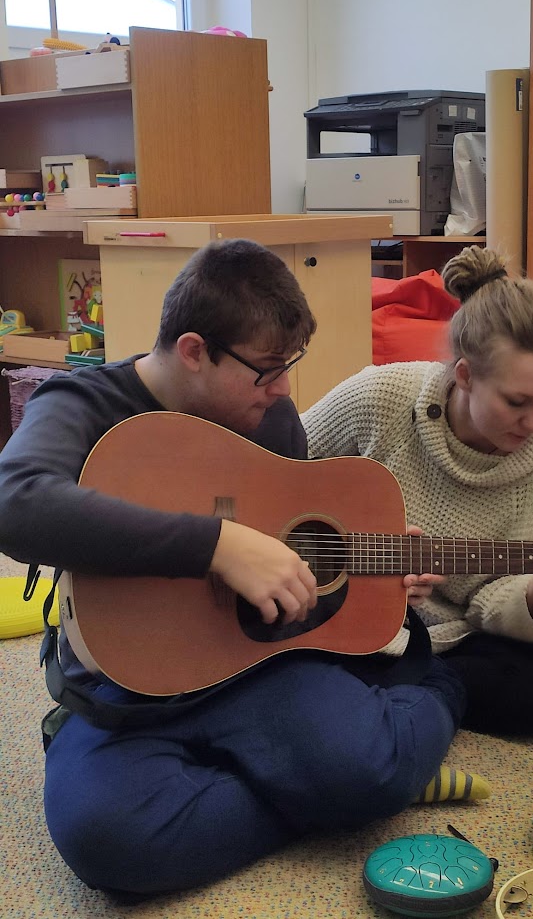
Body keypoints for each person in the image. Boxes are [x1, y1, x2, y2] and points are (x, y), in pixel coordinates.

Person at [0, 239, 482, 898]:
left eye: (287, 366)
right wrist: (217, 545)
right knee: (104, 838)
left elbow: (289, 600)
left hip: (256, 671)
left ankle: (435, 694)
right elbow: (16, 504)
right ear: (194, 350)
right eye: (265, 370)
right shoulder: (80, 403)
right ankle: (313, 793)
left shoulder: (272, 419)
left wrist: (363, 579)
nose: (283, 390)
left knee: (367, 772)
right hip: (125, 686)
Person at [302, 245, 533, 738]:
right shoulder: (381, 396)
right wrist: (350, 551)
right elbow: (277, 459)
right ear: (464, 375)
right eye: (517, 401)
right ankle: (395, 695)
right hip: (332, 605)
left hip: (448, 633)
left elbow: (490, 603)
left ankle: (368, 689)